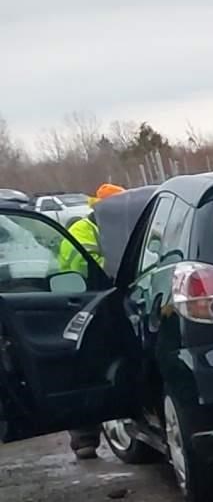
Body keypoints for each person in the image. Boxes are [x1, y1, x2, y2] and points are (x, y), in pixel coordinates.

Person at [58, 183, 124, 459]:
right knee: (87, 370)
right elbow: (82, 265)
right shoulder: (82, 231)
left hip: (117, 304)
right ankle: (85, 437)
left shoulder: (123, 230)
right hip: (88, 307)